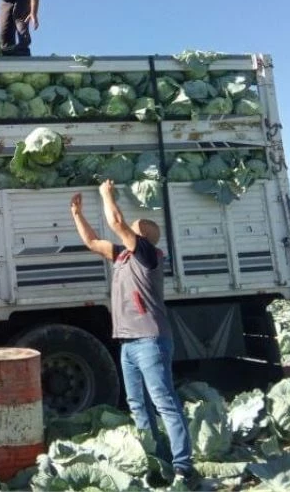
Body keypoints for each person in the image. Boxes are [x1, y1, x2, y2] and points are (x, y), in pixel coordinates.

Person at [70, 180, 199, 486]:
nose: (129, 227)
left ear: (143, 238)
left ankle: (183, 466)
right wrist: (77, 214)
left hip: (151, 341)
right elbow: (92, 242)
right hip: (128, 342)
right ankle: (154, 458)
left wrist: (106, 194)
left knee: (164, 401)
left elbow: (115, 222)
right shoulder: (122, 256)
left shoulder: (148, 254)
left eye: (135, 228)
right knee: (138, 404)